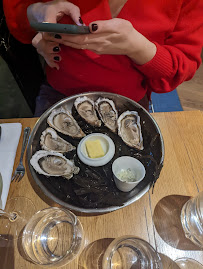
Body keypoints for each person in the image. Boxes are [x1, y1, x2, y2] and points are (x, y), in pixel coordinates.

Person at [3, 0, 203, 116]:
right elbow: (19, 20)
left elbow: (180, 68)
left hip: (128, 103)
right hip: (59, 96)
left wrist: (138, 47)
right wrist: (35, 12)